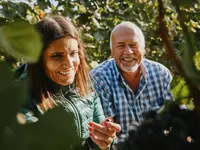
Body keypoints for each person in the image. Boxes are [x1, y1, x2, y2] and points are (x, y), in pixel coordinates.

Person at [16, 15, 121, 150]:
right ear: (38, 60)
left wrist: (105, 142)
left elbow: (97, 142)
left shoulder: (85, 85)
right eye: (56, 56)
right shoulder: (20, 97)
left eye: (73, 53)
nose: (69, 64)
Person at [90, 21, 174, 135]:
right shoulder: (99, 78)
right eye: (120, 46)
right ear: (111, 51)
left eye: (133, 45)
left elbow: (176, 116)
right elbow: (107, 131)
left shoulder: (161, 73)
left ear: (144, 49)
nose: (128, 52)